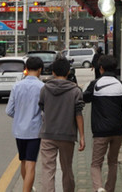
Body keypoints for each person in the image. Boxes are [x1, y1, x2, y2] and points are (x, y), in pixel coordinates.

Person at [83, 54, 122, 192]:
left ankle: (98, 188)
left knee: (96, 163)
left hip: (100, 132)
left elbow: (84, 98)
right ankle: (109, 189)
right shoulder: (121, 86)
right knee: (113, 162)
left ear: (101, 68)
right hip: (118, 131)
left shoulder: (95, 84)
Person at [37, 57, 85, 192]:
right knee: (67, 168)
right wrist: (82, 136)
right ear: (68, 72)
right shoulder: (75, 91)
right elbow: (78, 114)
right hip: (67, 135)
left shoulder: (45, 89)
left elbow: (42, 107)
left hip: (47, 134)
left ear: (53, 72)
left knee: (47, 169)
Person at [5, 56, 44, 192]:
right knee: (31, 164)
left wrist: (19, 117)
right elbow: (45, 112)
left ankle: (28, 188)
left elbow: (9, 110)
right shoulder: (42, 87)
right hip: (34, 131)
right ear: (40, 69)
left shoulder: (17, 86)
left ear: (26, 69)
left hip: (19, 131)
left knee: (23, 161)